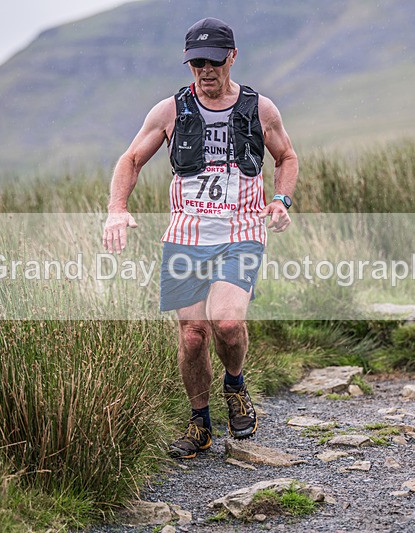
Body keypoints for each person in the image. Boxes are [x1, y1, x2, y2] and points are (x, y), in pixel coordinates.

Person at [102, 17, 298, 459]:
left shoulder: (259, 108)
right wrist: (117, 210)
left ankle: (235, 385)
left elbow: (286, 156)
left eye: (212, 61)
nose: (205, 71)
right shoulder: (170, 110)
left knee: (226, 324)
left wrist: (281, 200)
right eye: (195, 63)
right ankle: (200, 423)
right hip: (185, 237)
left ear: (232, 57)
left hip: (242, 233)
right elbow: (131, 160)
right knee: (193, 335)